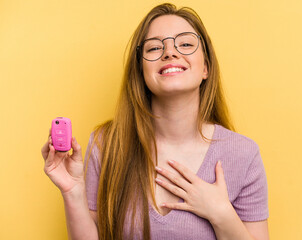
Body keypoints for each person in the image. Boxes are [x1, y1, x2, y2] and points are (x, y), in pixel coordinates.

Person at [41, 3, 269, 240]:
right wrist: (73, 191)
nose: (170, 52)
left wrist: (221, 213)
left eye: (186, 44)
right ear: (141, 70)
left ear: (206, 68)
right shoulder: (106, 144)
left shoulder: (244, 154)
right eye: (154, 48)